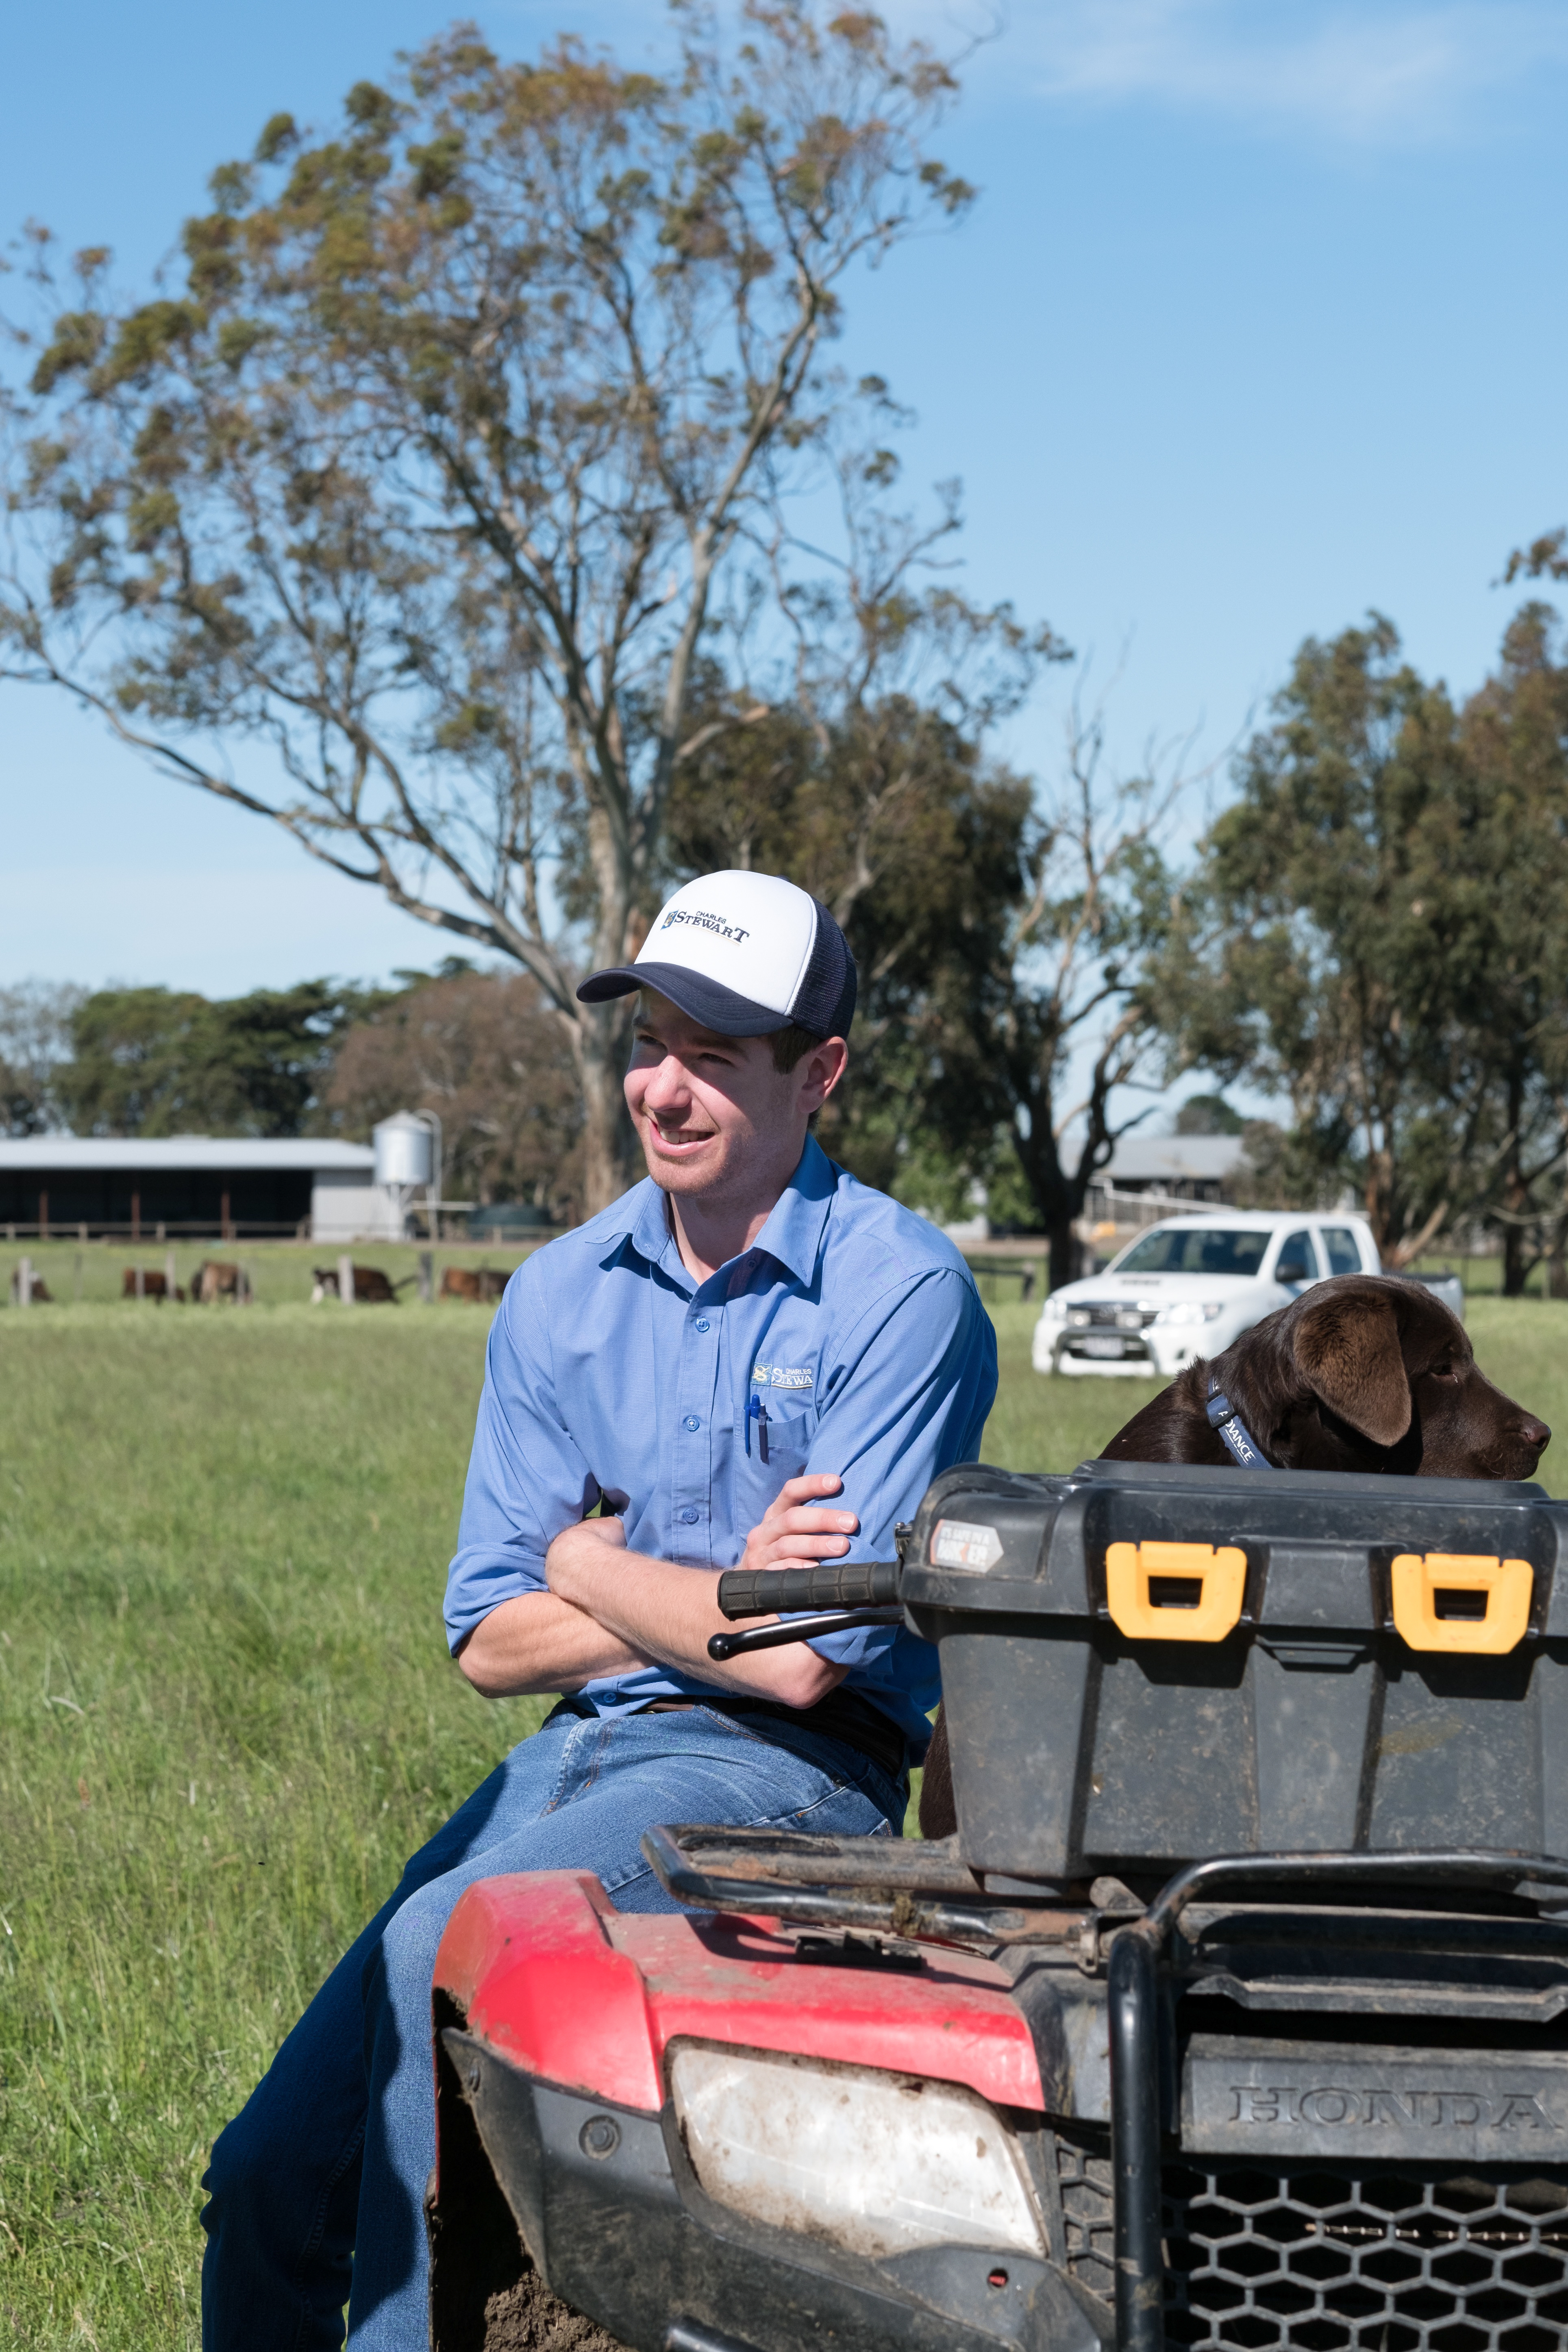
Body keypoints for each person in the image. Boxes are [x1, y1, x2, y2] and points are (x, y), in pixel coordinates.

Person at [200, 870, 998, 2350]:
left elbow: (810, 1662)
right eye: (650, 1041)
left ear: (819, 1071)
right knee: (261, 2183)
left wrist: (580, 1560)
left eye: (716, 1053)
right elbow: (483, 1641)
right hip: (569, 1754)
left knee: (443, 1930)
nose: (664, 1087)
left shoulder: (901, 1294)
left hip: (786, 1782)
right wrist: (708, 1590)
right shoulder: (560, 1292)